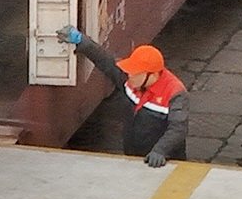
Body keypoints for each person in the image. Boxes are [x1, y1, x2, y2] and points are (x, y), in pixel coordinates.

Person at [59, 25, 189, 166]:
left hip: (165, 163)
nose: (129, 75)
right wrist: (81, 41)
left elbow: (178, 129)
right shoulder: (131, 81)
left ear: (152, 74)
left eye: (135, 73)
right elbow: (106, 61)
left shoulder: (175, 93)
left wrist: (160, 151)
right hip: (134, 157)